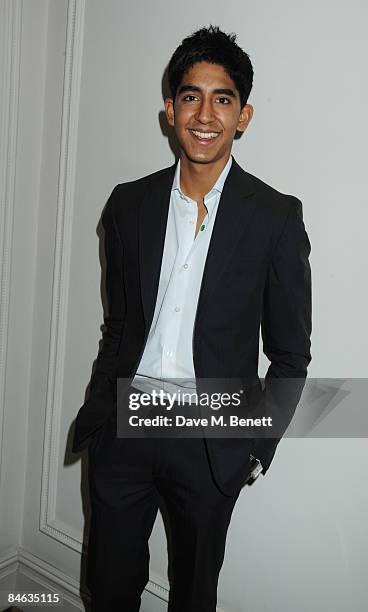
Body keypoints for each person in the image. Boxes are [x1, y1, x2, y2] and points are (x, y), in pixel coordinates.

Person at [72, 25, 312, 612]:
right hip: (126, 429)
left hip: (210, 443)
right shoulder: (128, 204)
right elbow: (119, 325)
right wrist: (104, 415)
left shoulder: (275, 217)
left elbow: (290, 354)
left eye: (222, 98)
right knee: (108, 590)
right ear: (170, 110)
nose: (204, 113)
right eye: (190, 96)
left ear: (243, 115)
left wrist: (255, 447)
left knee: (193, 596)